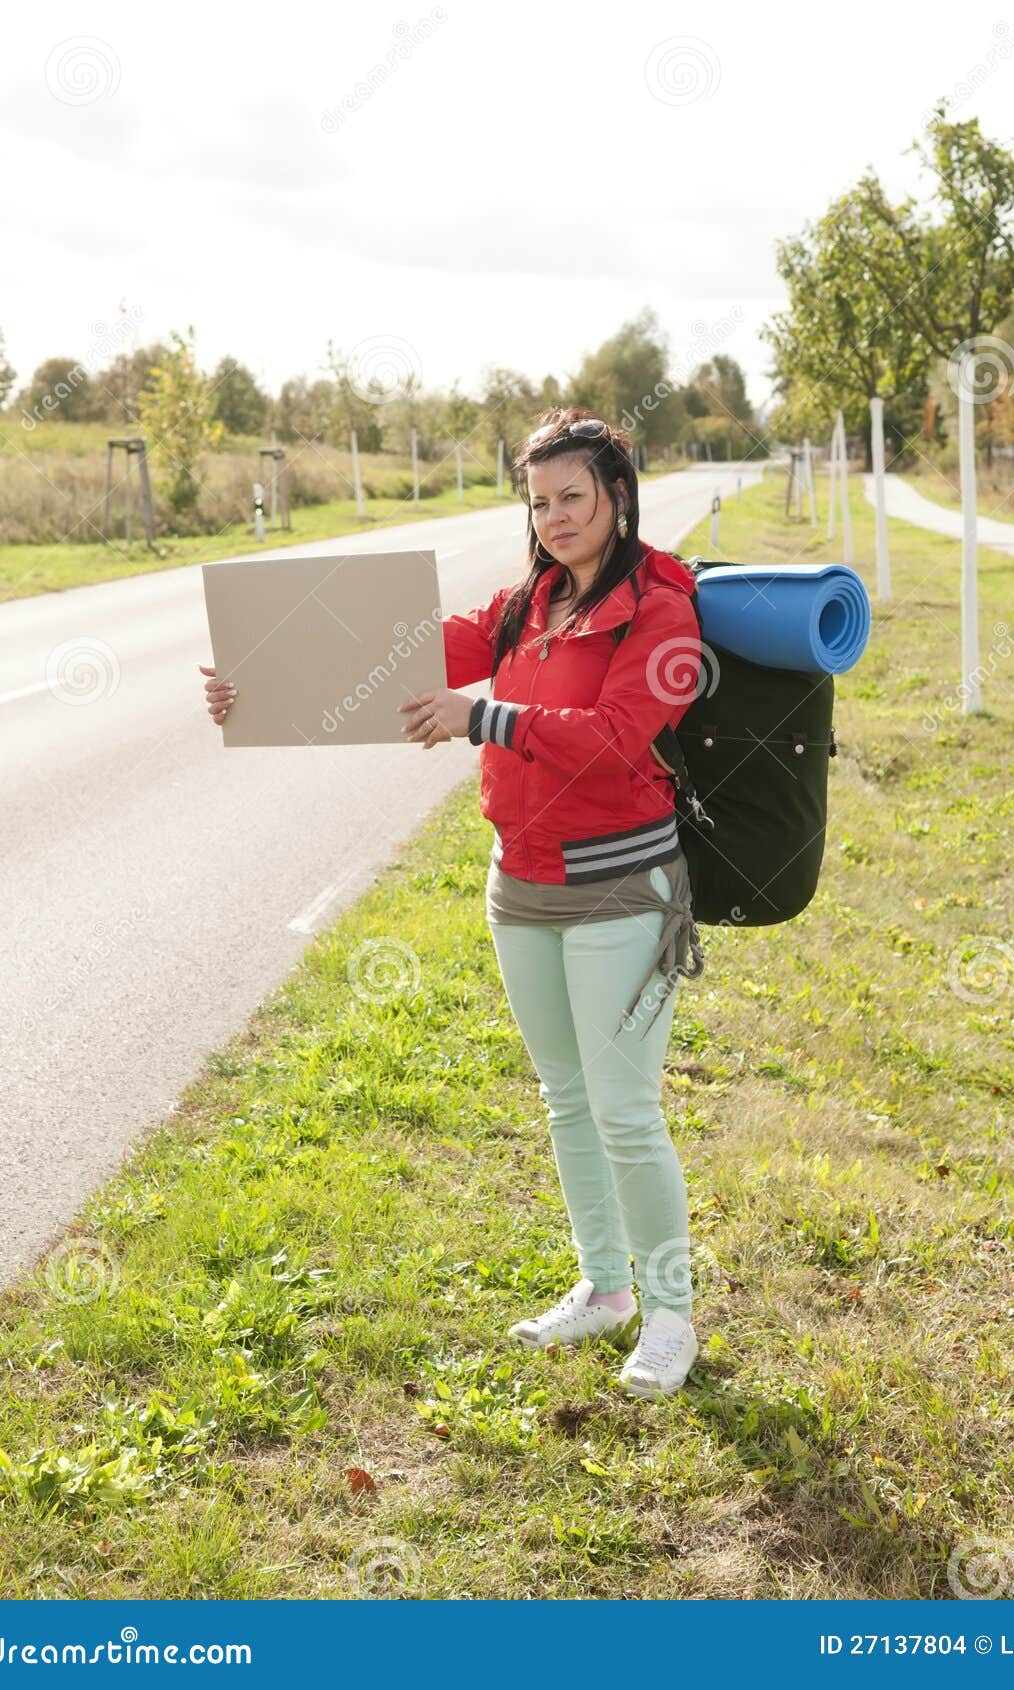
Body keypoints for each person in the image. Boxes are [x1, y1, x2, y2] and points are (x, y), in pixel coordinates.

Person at [200, 406, 706, 1399]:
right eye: (539, 501)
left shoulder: (659, 609)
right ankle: (604, 1288)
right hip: (519, 883)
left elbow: (617, 734)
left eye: (573, 496)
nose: (555, 516)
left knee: (624, 1111)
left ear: (616, 494)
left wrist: (487, 713)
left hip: (621, 884)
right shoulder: (527, 605)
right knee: (567, 1097)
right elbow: (403, 654)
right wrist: (255, 683)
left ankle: (671, 1312)